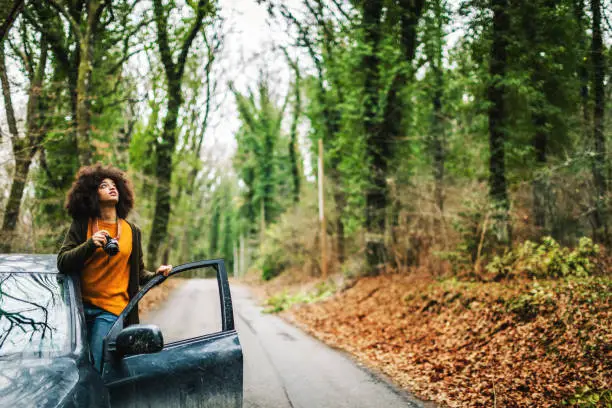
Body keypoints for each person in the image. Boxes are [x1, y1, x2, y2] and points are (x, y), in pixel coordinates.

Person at [57, 164, 172, 372]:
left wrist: (158, 275)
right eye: (103, 185)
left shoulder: (132, 231)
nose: (112, 188)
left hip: (111, 311)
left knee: (96, 366)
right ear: (91, 194)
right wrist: (90, 244)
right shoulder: (82, 224)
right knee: (74, 367)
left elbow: (138, 275)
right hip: (78, 310)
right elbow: (63, 262)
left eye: (114, 185)